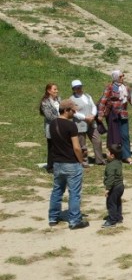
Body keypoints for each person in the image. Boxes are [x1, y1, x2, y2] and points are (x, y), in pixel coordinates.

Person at [48, 99, 89, 230]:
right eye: (73, 110)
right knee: (74, 193)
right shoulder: (71, 126)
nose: (74, 112)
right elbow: (76, 147)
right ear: (66, 110)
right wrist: (81, 160)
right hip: (71, 163)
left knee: (57, 191)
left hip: (57, 163)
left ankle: (53, 217)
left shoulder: (52, 124)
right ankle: (75, 220)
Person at [97, 70, 132, 164]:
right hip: (113, 115)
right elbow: (103, 100)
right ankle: (114, 154)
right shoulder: (110, 87)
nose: (123, 78)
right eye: (121, 76)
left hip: (123, 114)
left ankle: (126, 156)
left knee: (125, 135)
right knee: (114, 134)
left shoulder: (126, 88)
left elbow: (130, 99)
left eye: (123, 76)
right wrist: (100, 113)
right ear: (116, 77)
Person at [69, 79, 104, 167]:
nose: (79, 89)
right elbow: (74, 113)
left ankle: (99, 159)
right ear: (73, 89)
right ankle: (84, 161)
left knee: (97, 140)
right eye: (77, 88)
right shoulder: (71, 99)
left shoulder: (88, 96)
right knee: (82, 144)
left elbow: (93, 106)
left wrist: (92, 115)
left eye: (80, 87)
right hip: (80, 124)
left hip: (91, 122)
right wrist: (85, 118)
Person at [39, 83, 60, 173]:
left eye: (57, 89)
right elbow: (49, 116)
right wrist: (61, 117)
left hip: (60, 126)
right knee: (52, 147)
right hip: (51, 127)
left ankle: (59, 164)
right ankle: (50, 166)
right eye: (54, 89)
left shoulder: (59, 99)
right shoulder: (45, 102)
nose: (56, 91)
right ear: (49, 91)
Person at [102, 143, 124, 228]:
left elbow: (110, 178)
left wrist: (107, 189)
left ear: (112, 156)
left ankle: (112, 220)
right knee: (117, 202)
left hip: (114, 187)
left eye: (107, 152)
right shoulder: (118, 162)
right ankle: (118, 217)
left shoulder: (111, 166)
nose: (106, 153)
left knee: (111, 203)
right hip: (120, 186)